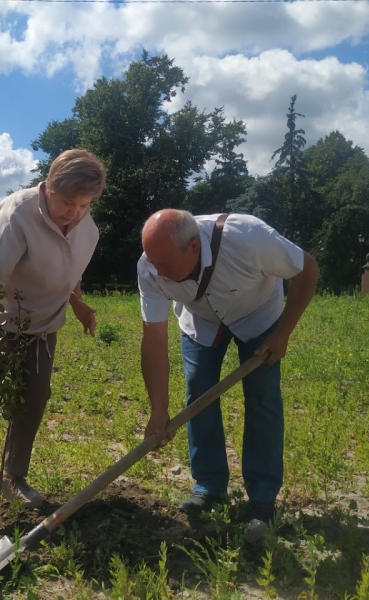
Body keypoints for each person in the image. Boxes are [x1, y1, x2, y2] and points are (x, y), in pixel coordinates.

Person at [0, 149, 107, 552]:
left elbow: (70, 271)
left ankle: (14, 478)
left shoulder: (86, 225)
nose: (75, 213)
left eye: (85, 205)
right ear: (48, 187)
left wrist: (78, 303)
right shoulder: (18, 215)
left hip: (43, 326)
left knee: (35, 395)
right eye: (67, 203)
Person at [138, 209, 318, 543]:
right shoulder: (150, 265)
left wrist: (284, 334)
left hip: (258, 315)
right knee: (198, 392)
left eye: (164, 263)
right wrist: (158, 411)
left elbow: (307, 269)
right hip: (201, 322)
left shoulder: (247, 238)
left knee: (262, 397)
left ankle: (262, 498)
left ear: (193, 247)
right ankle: (208, 487)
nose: (156, 270)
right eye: (152, 261)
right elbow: (153, 340)